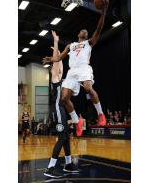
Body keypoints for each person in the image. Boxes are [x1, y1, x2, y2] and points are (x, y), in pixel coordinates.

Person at [43, 3, 108, 127]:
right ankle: (77, 122)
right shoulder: (70, 45)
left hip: (84, 67)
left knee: (88, 88)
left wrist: (103, 11)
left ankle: (100, 113)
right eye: (82, 30)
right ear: (78, 34)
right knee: (64, 98)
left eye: (86, 31)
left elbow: (99, 28)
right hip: (72, 71)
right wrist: (51, 59)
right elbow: (59, 57)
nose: (84, 31)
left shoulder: (89, 42)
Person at [44, 31, 82, 178]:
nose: (60, 66)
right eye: (58, 65)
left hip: (62, 110)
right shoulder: (54, 77)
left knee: (66, 136)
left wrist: (59, 52)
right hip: (57, 110)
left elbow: (59, 60)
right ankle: (50, 168)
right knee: (61, 137)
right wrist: (55, 42)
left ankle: (68, 164)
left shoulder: (62, 78)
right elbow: (56, 62)